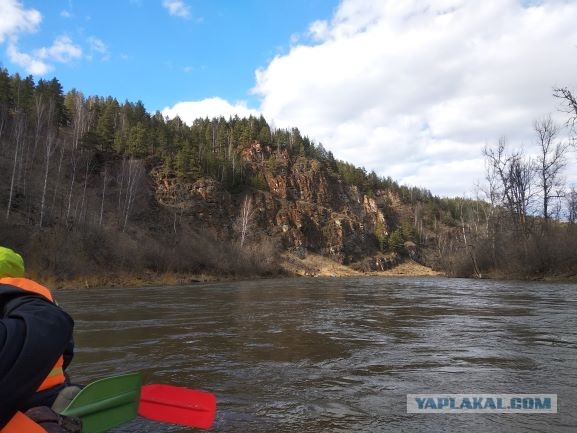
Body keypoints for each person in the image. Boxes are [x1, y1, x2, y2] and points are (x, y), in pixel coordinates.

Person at [0, 246, 79, 433]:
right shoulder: (42, 295)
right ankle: (64, 395)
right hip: (54, 388)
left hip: (23, 397)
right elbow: (67, 350)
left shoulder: (8, 295)